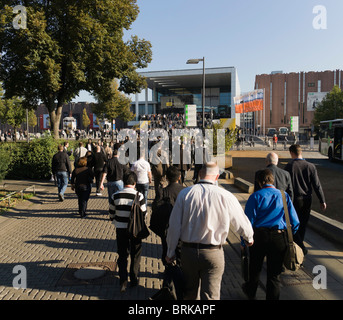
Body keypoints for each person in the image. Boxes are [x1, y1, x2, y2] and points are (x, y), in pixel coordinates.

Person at [166, 162, 254, 300]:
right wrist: (248, 238)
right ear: (217, 176)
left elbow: (174, 226)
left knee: (189, 294)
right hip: (214, 253)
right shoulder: (226, 196)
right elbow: (241, 222)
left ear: (200, 174)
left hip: (188, 252)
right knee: (211, 295)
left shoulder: (185, 194)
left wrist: (170, 252)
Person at [243, 169, 299, 300]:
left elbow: (248, 222)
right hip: (279, 237)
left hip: (259, 236)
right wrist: (289, 235)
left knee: (255, 269)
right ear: (272, 181)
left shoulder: (255, 196)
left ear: (260, 182)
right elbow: (295, 221)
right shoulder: (284, 195)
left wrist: (243, 241)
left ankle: (251, 293)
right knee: (274, 274)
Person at [284, 144, 326, 255]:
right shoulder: (310, 166)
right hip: (307, 199)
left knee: (293, 224)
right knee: (303, 224)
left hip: (293, 200)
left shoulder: (289, 166)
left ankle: (299, 247)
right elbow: (317, 185)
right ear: (300, 152)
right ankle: (301, 246)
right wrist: (322, 200)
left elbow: (286, 185)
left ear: (292, 153)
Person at [110, 172, 147, 292]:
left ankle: (123, 280)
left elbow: (111, 214)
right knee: (135, 254)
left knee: (122, 254)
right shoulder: (139, 196)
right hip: (136, 229)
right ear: (135, 183)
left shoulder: (115, 195)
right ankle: (134, 278)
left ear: (124, 182)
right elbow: (143, 213)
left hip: (120, 229)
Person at [153, 166, 184, 266]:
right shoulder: (186, 191)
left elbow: (155, 207)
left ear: (166, 178)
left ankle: (168, 271)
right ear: (179, 177)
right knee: (180, 251)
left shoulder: (162, 191)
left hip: (166, 227)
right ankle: (180, 270)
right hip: (182, 227)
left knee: (166, 249)